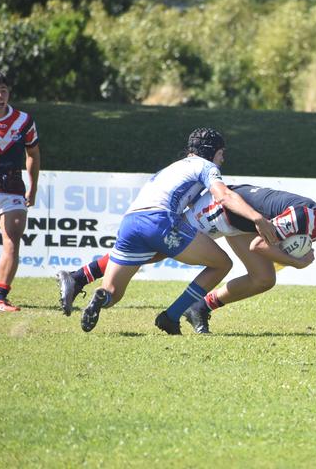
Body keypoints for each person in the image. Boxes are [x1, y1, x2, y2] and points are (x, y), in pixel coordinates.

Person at [58, 185, 316, 334]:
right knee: (158, 249)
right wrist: (295, 262)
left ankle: (200, 307)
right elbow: (262, 247)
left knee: (264, 279)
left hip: (242, 223)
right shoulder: (303, 219)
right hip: (220, 211)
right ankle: (80, 275)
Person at [78, 127, 278, 333]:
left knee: (113, 292)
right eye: (221, 153)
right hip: (159, 221)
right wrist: (257, 218)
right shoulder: (207, 166)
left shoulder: (173, 167)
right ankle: (171, 316)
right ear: (212, 152)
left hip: (130, 222)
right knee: (222, 264)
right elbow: (223, 195)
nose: (222, 159)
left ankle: (101, 296)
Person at [0, 69, 40, 311]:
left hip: (12, 191)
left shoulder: (24, 121)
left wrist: (32, 188)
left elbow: (33, 153)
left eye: (3, 90)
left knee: (12, 242)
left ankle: (0, 298)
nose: (0, 95)